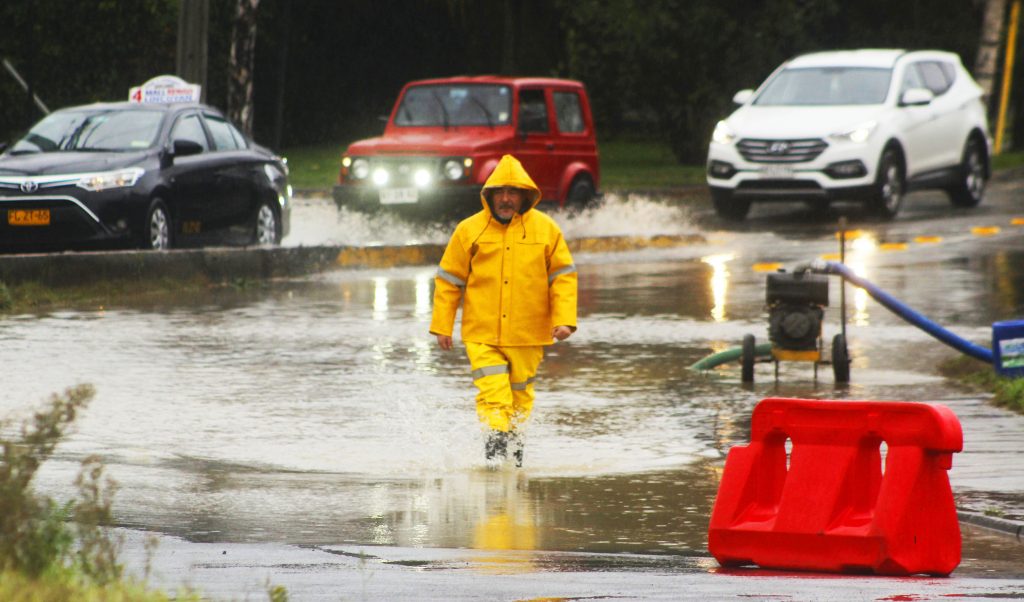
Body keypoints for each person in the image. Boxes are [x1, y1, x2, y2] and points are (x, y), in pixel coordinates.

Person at [430, 154, 578, 466]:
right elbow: (449, 280)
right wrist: (443, 324)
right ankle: (495, 455)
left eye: (513, 192)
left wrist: (565, 320)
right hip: (482, 333)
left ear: (525, 195)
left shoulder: (546, 230)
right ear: (489, 195)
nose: (506, 199)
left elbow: (563, 277)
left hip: (528, 333)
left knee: (520, 397)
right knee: (493, 394)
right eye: (500, 192)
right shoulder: (469, 230)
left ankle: (514, 456)